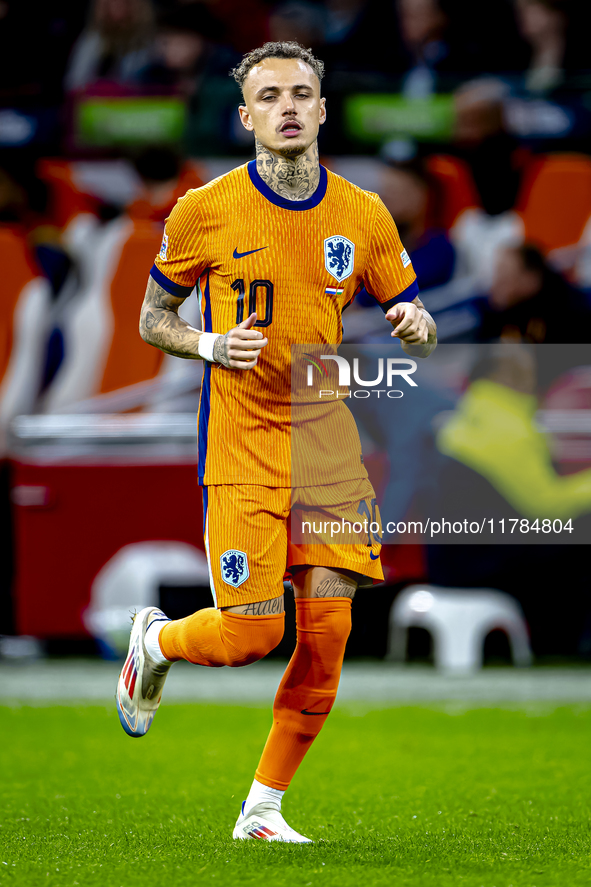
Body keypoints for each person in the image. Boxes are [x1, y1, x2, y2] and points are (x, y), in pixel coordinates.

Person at [116, 40, 436, 843]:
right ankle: (155, 639)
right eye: (270, 96)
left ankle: (262, 809)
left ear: (322, 110)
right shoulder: (204, 209)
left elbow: (418, 323)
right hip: (242, 442)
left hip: (327, 444)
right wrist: (211, 346)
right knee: (251, 633)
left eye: (301, 93)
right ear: (246, 116)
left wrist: (417, 326)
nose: (287, 106)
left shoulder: (362, 213)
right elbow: (153, 320)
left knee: (327, 636)